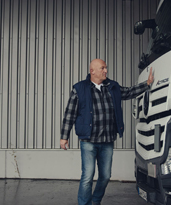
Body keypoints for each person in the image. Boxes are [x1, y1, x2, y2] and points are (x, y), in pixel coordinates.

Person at [60, 59, 154, 205]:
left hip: (107, 141)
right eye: (102, 68)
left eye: (106, 68)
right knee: (87, 177)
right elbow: (69, 114)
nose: (106, 71)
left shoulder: (113, 87)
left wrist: (146, 84)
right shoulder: (80, 89)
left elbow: (128, 92)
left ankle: (95, 201)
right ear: (92, 71)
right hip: (89, 142)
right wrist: (64, 137)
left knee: (105, 176)